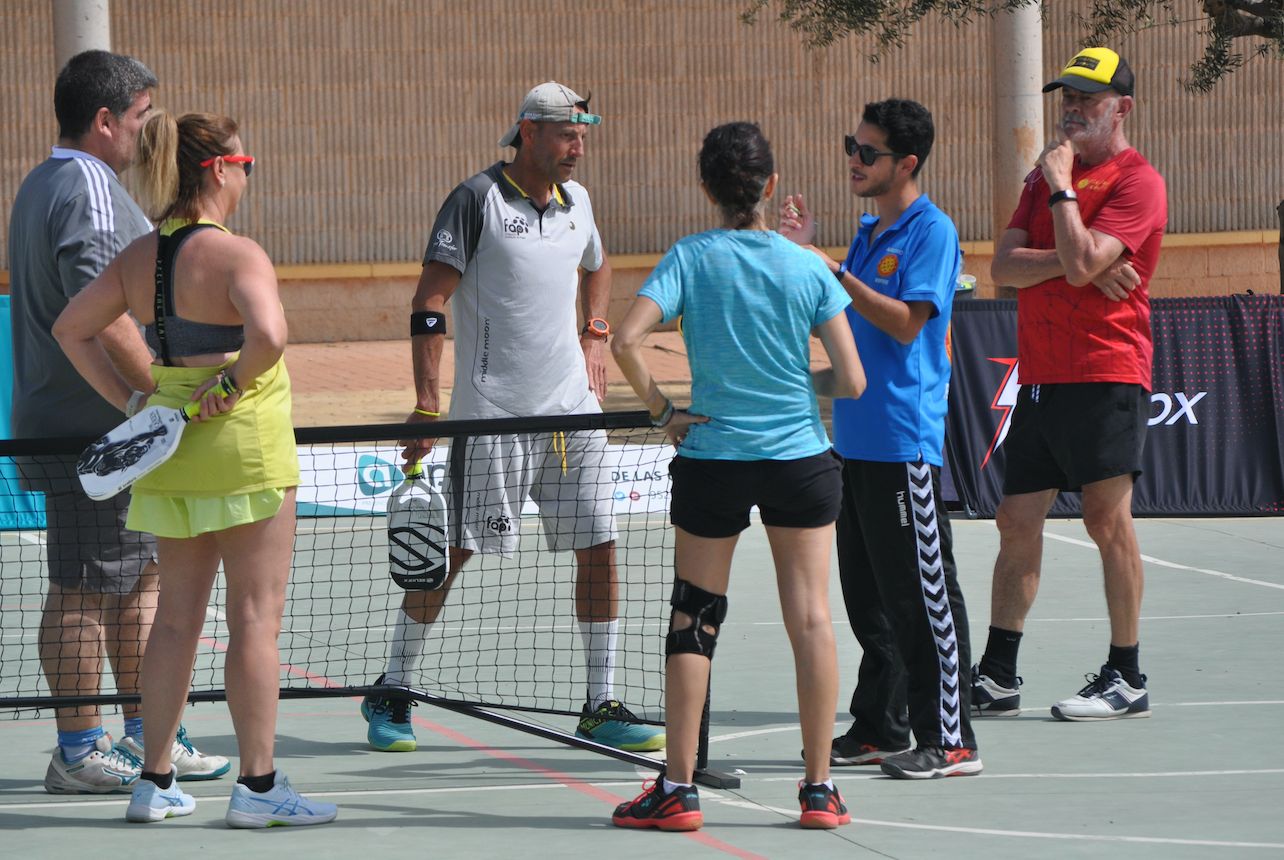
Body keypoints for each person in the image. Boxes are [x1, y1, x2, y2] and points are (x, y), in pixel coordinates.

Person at [358, 82, 664, 755]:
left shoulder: (578, 202)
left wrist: (597, 329)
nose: (577, 145)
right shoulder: (476, 200)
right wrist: (426, 403)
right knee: (455, 552)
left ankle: (599, 703)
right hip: (491, 416)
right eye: (564, 132)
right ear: (527, 131)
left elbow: (598, 263)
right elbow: (429, 302)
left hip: (574, 416)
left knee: (601, 549)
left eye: (583, 132)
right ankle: (393, 686)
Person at [53, 110, 337, 827]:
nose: (249, 175)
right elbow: (269, 335)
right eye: (246, 164)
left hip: (170, 455)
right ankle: (260, 788)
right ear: (217, 169)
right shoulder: (239, 255)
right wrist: (234, 386)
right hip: (244, 452)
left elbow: (71, 328)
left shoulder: (139, 256)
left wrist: (132, 399)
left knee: (174, 621)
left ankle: (153, 782)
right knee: (254, 620)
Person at [610, 121, 866, 831]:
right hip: (800, 461)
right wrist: (788, 384)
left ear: (705, 187)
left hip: (714, 458)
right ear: (771, 184)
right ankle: (819, 790)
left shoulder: (692, 258)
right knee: (811, 617)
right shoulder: (806, 266)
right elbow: (851, 378)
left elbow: (626, 339)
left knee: (694, 614)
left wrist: (664, 409)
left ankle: (678, 790)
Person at [7, 49, 226, 794]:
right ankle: (78, 749)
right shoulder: (89, 189)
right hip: (94, 432)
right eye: (137, 118)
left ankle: (146, 734)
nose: (144, 133)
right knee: (84, 587)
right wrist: (159, 406)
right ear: (104, 122)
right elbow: (104, 320)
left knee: (137, 580)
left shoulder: (47, 182)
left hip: (97, 429)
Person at [780, 99, 982, 779]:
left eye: (867, 152)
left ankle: (950, 739)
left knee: (924, 598)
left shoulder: (932, 231)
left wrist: (833, 272)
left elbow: (903, 324)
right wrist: (806, 262)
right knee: (871, 602)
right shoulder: (868, 233)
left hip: (904, 445)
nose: (854, 161)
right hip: (856, 444)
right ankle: (881, 727)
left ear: (908, 163)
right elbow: (841, 318)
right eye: (852, 146)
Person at [973, 47, 1167, 721]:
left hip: (1106, 371)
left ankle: (1127, 674)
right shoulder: (1043, 177)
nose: (1073, 109)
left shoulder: (1138, 181)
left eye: (1089, 98)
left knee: (1104, 520)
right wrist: (1073, 258)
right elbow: (1004, 268)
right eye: (1068, 97)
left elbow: (1086, 264)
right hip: (1042, 374)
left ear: (1123, 109)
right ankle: (998, 675)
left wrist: (1063, 205)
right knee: (1015, 519)